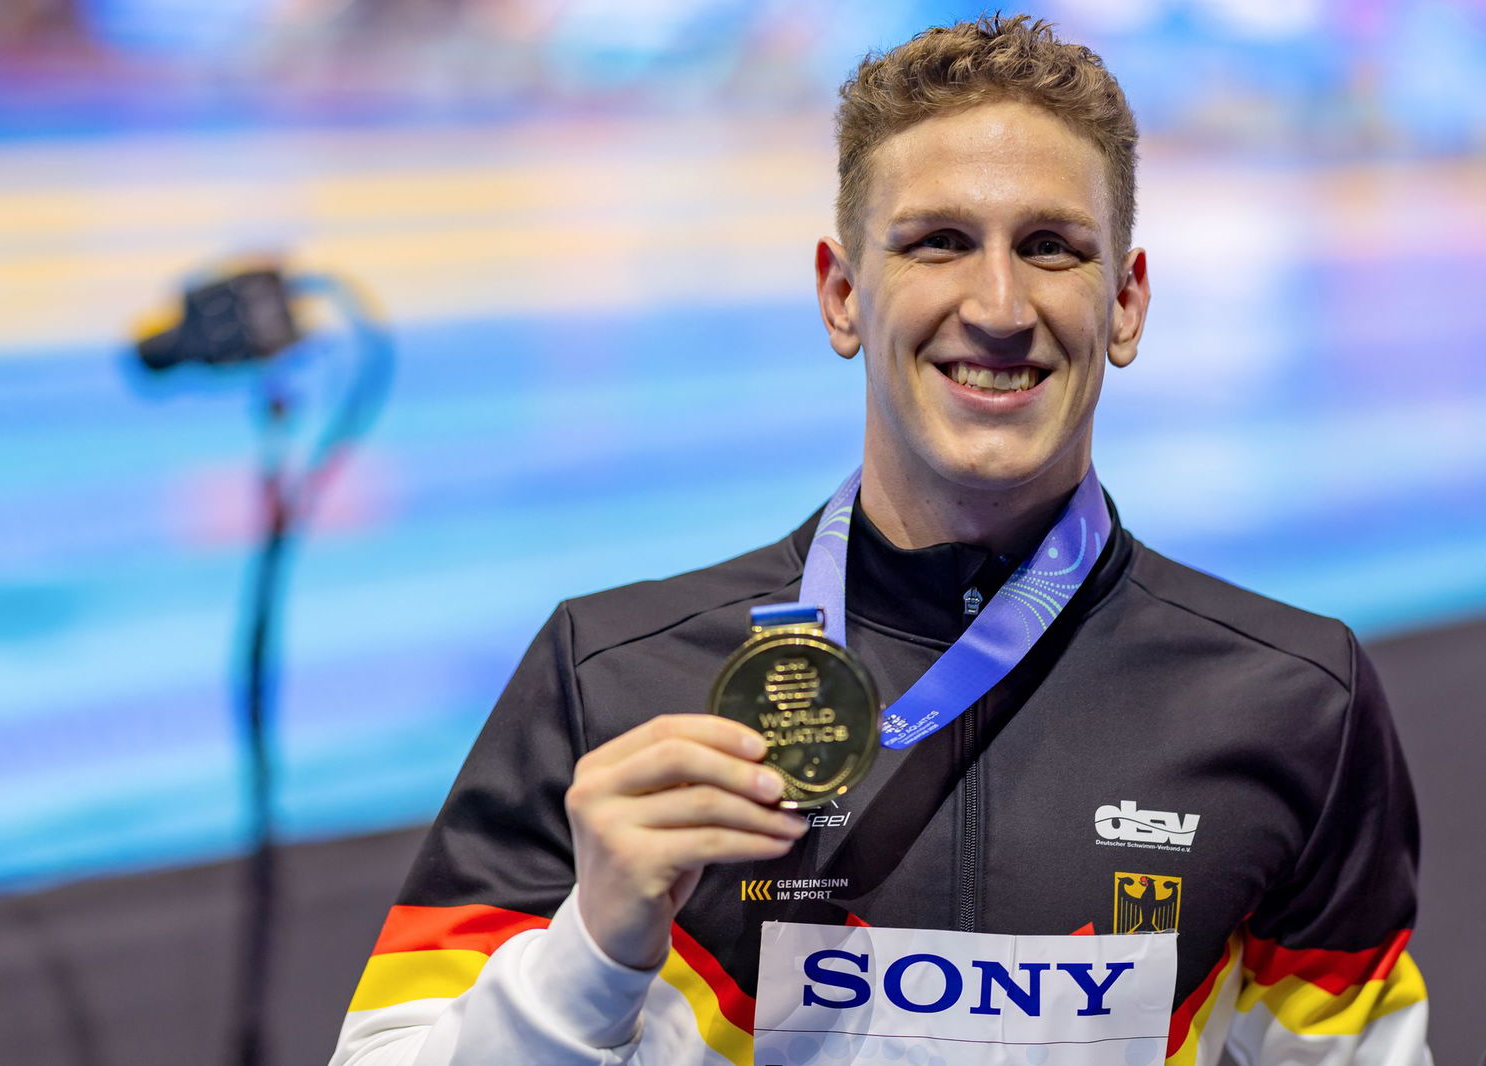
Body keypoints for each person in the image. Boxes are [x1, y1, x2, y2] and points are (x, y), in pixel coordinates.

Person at [329, 16, 1431, 1066]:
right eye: (937, 243)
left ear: (1126, 302)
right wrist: (592, 952)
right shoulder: (614, 679)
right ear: (843, 293)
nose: (998, 305)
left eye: (1050, 247)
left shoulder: (1290, 701)